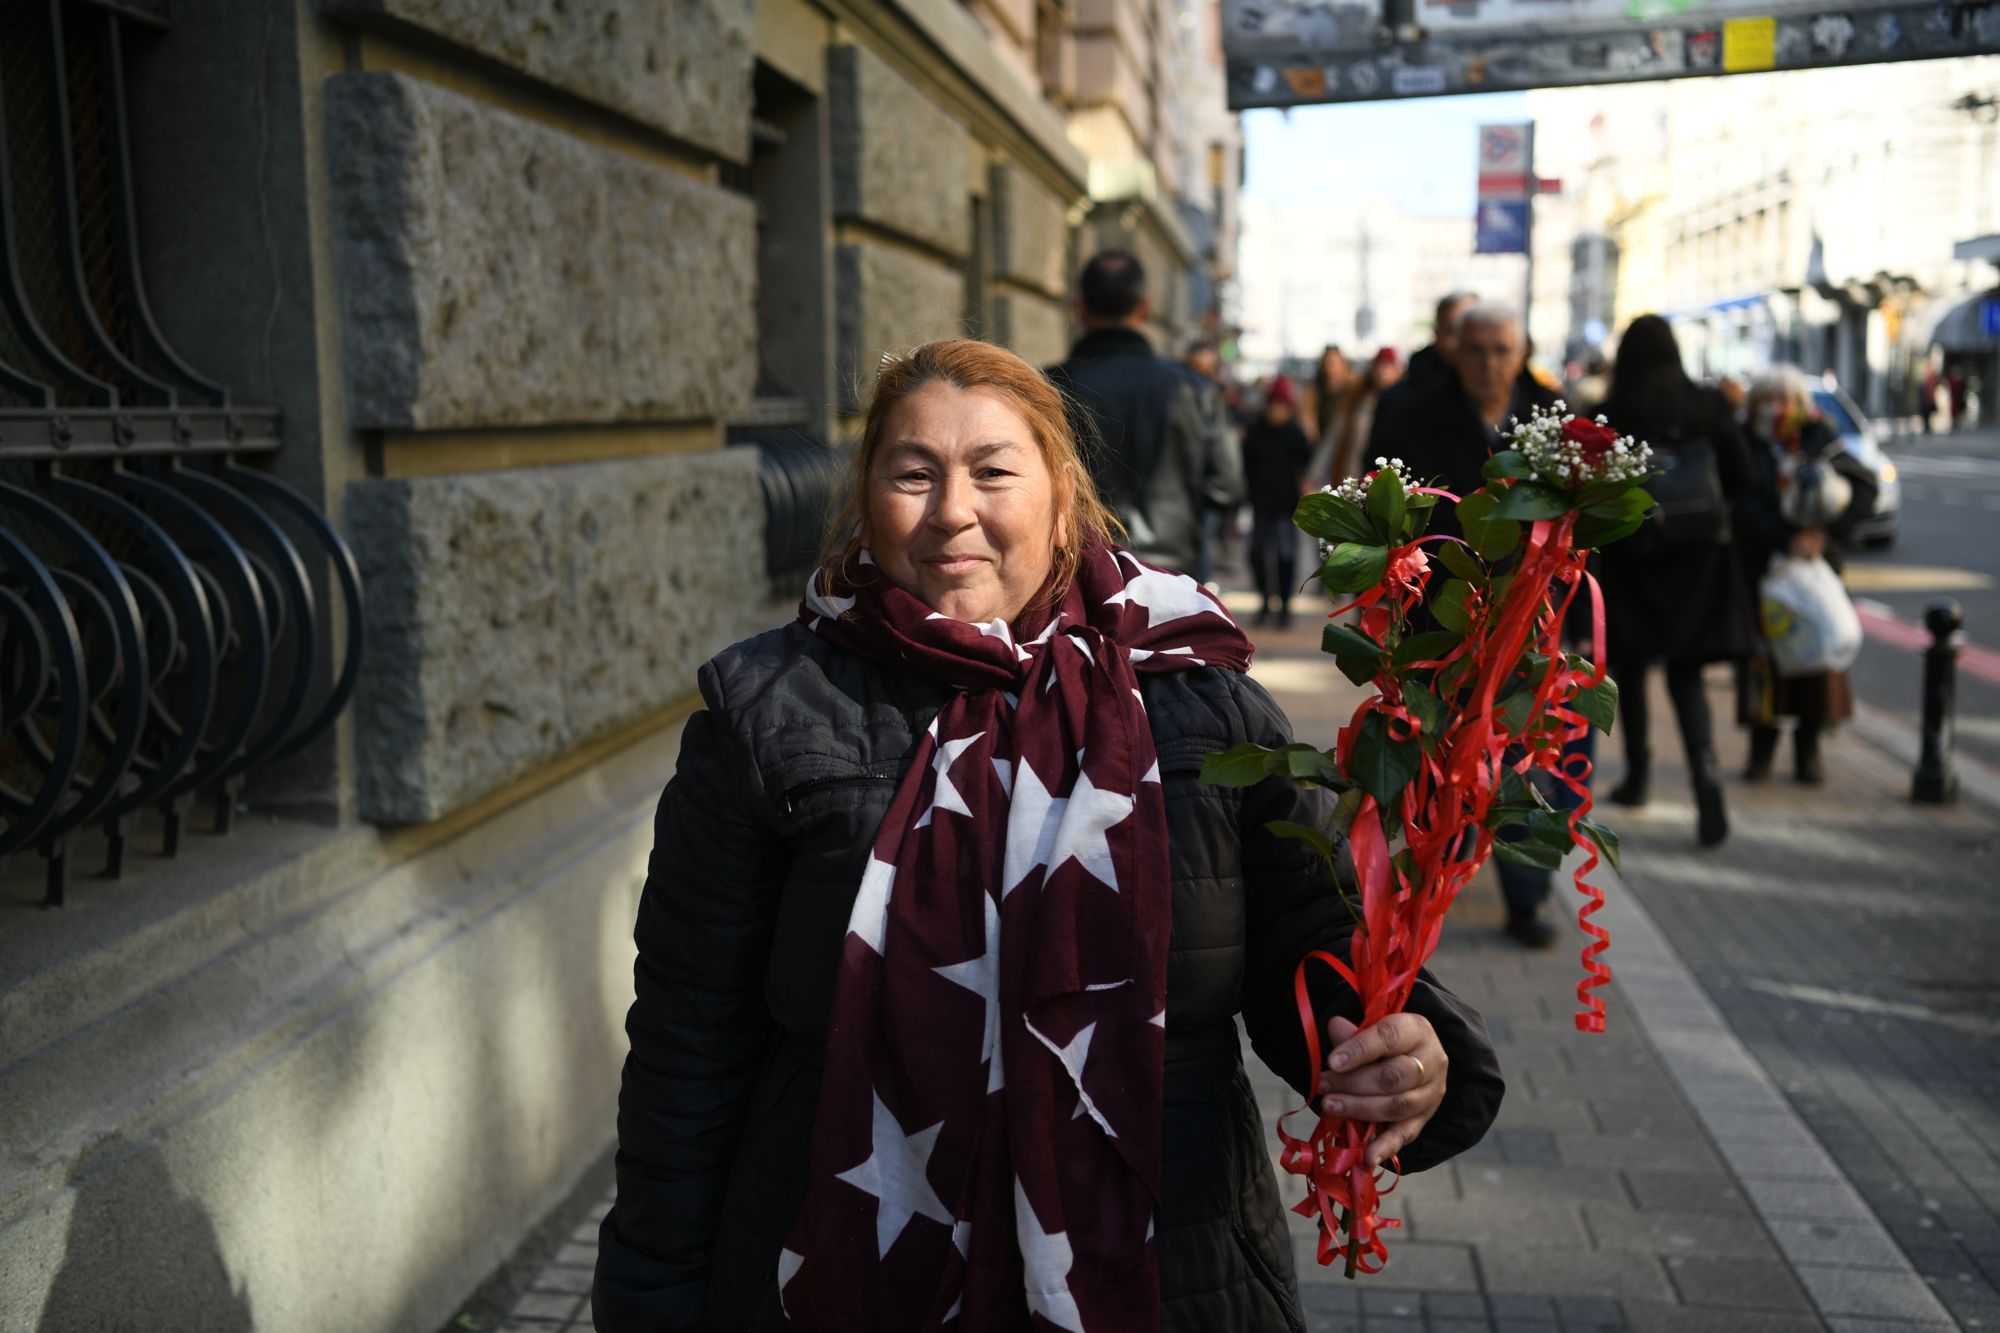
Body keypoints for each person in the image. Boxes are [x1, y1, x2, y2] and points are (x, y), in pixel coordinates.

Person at [592, 339, 1505, 1332]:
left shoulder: (1199, 702)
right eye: (911, 473)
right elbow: (688, 1044)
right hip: (847, 1275)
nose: (951, 510)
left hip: (1167, 1271)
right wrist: (653, 1290)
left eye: (991, 470)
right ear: (866, 497)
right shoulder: (766, 713)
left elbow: (1316, 947)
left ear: (1060, 495)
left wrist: (1401, 1050)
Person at [1593, 315, 1756, 847]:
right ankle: (1705, 775)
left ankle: (1638, 777)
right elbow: (1744, 475)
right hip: (1697, 562)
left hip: (1633, 556)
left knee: (1633, 670)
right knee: (1686, 676)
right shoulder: (1707, 406)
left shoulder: (1615, 412)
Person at [1047, 251, 1241, 574]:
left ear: (1079, 308)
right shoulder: (1195, 390)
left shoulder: (1046, 388)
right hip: (1172, 573)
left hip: (1075, 572)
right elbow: (1227, 487)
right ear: (1145, 308)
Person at [1735, 368, 1879, 784]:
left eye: (1787, 399)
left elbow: (1864, 489)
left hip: (1814, 574)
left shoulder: (1821, 438)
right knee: (1762, 666)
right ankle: (1760, 752)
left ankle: (1808, 751)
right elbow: (1740, 504)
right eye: (1768, 399)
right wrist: (1784, 537)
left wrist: (1822, 535)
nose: (1778, 409)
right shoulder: (1744, 443)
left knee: (1815, 664)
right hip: (1762, 572)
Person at [1242, 374, 1314, 628]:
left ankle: (1284, 606)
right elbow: (1246, 464)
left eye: (1282, 407)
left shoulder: (1295, 433)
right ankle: (1265, 601)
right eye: (1273, 406)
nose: (1276, 412)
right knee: (1258, 554)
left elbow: (1307, 463)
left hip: (1287, 505)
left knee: (1285, 556)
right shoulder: (1255, 430)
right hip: (1260, 503)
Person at [1326, 347, 1402, 486]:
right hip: (1355, 475)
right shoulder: (1358, 398)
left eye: (1387, 366)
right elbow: (1333, 436)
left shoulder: (1403, 402)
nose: (1382, 372)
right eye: (1379, 366)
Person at [1304, 344, 1352, 483]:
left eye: (1334, 363)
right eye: (1328, 363)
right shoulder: (1315, 391)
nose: (1331, 367)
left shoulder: (1352, 391)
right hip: (1319, 450)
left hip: (1343, 454)